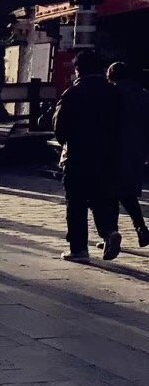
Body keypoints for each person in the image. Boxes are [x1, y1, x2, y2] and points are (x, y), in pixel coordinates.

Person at [54, 51, 122, 262]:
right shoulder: (114, 94)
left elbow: (60, 128)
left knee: (76, 202)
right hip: (108, 154)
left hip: (78, 154)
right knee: (101, 196)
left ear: (77, 70)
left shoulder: (73, 93)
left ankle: (79, 248)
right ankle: (109, 231)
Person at [107, 62, 149, 247]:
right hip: (138, 147)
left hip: (115, 146)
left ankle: (112, 234)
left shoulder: (112, 93)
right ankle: (140, 227)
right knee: (127, 191)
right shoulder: (143, 94)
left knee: (112, 191)